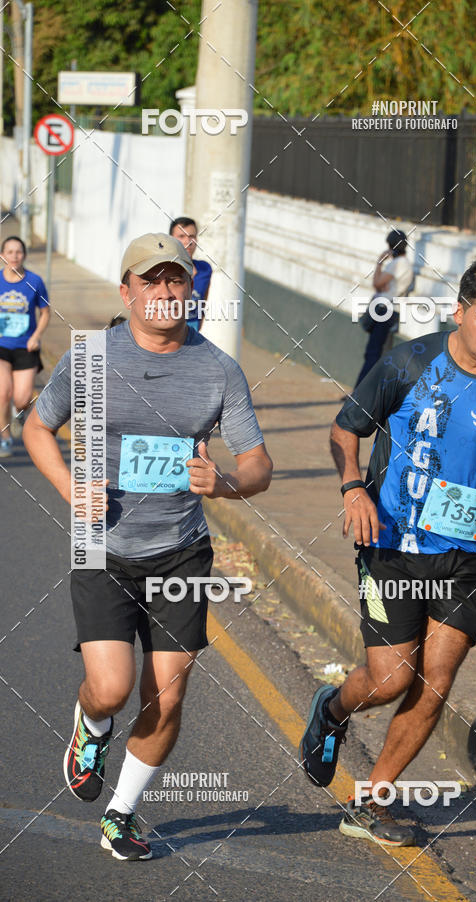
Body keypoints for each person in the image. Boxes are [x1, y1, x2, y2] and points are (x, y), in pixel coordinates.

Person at [23, 233, 272, 861]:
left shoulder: (218, 368)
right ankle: (93, 725)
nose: (165, 292)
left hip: (181, 551)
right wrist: (68, 485)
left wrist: (228, 484)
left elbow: (259, 464)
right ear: (127, 290)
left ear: (191, 291)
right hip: (103, 545)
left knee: (169, 694)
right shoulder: (90, 356)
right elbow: (37, 425)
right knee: (110, 688)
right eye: (152, 280)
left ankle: (122, 812)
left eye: (177, 280)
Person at [299, 259, 476, 845]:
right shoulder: (410, 363)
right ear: (460, 311)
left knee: (436, 679)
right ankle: (333, 710)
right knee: (390, 679)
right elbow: (345, 429)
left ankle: (372, 800)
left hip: (470, 554)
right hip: (393, 543)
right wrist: (352, 487)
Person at [0, 235, 50, 457]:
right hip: (1, 345)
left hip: (26, 347)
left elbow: (46, 312)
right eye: (9, 252)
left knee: (21, 398)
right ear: (2, 256)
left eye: (18, 252)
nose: (14, 256)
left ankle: (19, 412)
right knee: (2, 393)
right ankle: (5, 437)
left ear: (24, 255)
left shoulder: (35, 281)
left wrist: (36, 336)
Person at [353, 229, 413, 390]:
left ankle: (360, 393)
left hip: (385, 310)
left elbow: (377, 283)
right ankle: (361, 392)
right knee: (375, 352)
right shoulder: (403, 264)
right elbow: (381, 285)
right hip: (388, 309)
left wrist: (380, 262)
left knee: (373, 353)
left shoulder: (398, 264)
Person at [169, 216, 212, 331]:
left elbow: (202, 302)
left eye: (191, 236)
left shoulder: (205, 269)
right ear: (171, 239)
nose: (187, 242)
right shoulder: (163, 270)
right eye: (181, 236)